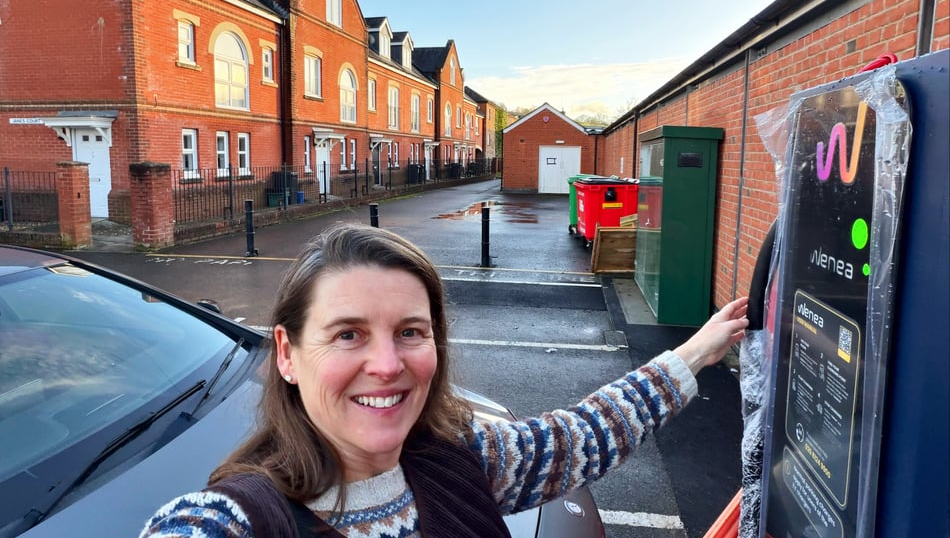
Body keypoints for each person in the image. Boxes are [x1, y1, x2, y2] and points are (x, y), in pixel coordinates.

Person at [140, 222, 749, 538]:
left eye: (410, 331)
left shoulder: (463, 455)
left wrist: (695, 352)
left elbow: (581, 436)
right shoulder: (237, 519)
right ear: (288, 354)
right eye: (348, 333)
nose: (386, 364)